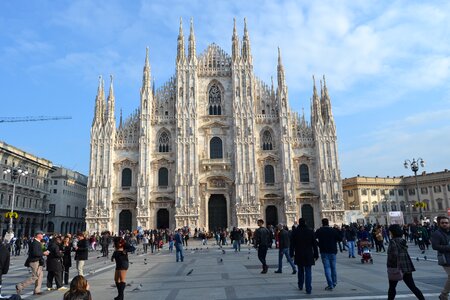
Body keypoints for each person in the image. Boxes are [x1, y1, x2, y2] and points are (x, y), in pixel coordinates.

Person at [387, 224, 425, 300]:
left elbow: (393, 255)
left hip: (396, 268)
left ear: (392, 232)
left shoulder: (393, 242)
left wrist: (389, 265)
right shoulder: (402, 241)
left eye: (390, 232)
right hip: (406, 266)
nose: (389, 233)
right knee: (412, 286)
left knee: (392, 287)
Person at [16, 231, 49, 295]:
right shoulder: (35, 243)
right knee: (35, 277)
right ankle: (20, 286)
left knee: (40, 276)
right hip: (34, 261)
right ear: (38, 235)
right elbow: (35, 253)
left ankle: (37, 290)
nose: (42, 236)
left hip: (38, 261)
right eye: (42, 235)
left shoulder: (38, 242)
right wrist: (43, 253)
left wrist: (44, 251)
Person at [291, 218, 318, 294]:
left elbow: (292, 244)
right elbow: (314, 244)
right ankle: (308, 289)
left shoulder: (295, 231)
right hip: (308, 254)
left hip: (299, 254)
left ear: (299, 223)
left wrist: (291, 254)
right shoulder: (310, 231)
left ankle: (300, 285)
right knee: (308, 271)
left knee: (300, 270)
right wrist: (316, 254)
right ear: (305, 222)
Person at [315, 218, 341, 291]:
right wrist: (339, 231)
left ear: (322, 223)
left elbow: (313, 238)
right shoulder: (333, 230)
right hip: (333, 251)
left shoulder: (319, 230)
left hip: (324, 251)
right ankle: (334, 282)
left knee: (327, 268)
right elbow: (340, 238)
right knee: (333, 267)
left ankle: (330, 284)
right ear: (328, 223)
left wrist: (319, 244)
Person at [431, 216, 450, 300]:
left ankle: (444, 295)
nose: (444, 224)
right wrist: (448, 247)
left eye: (446, 223)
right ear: (439, 224)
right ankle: (444, 294)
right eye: (442, 223)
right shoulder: (437, 233)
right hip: (445, 258)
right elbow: (435, 246)